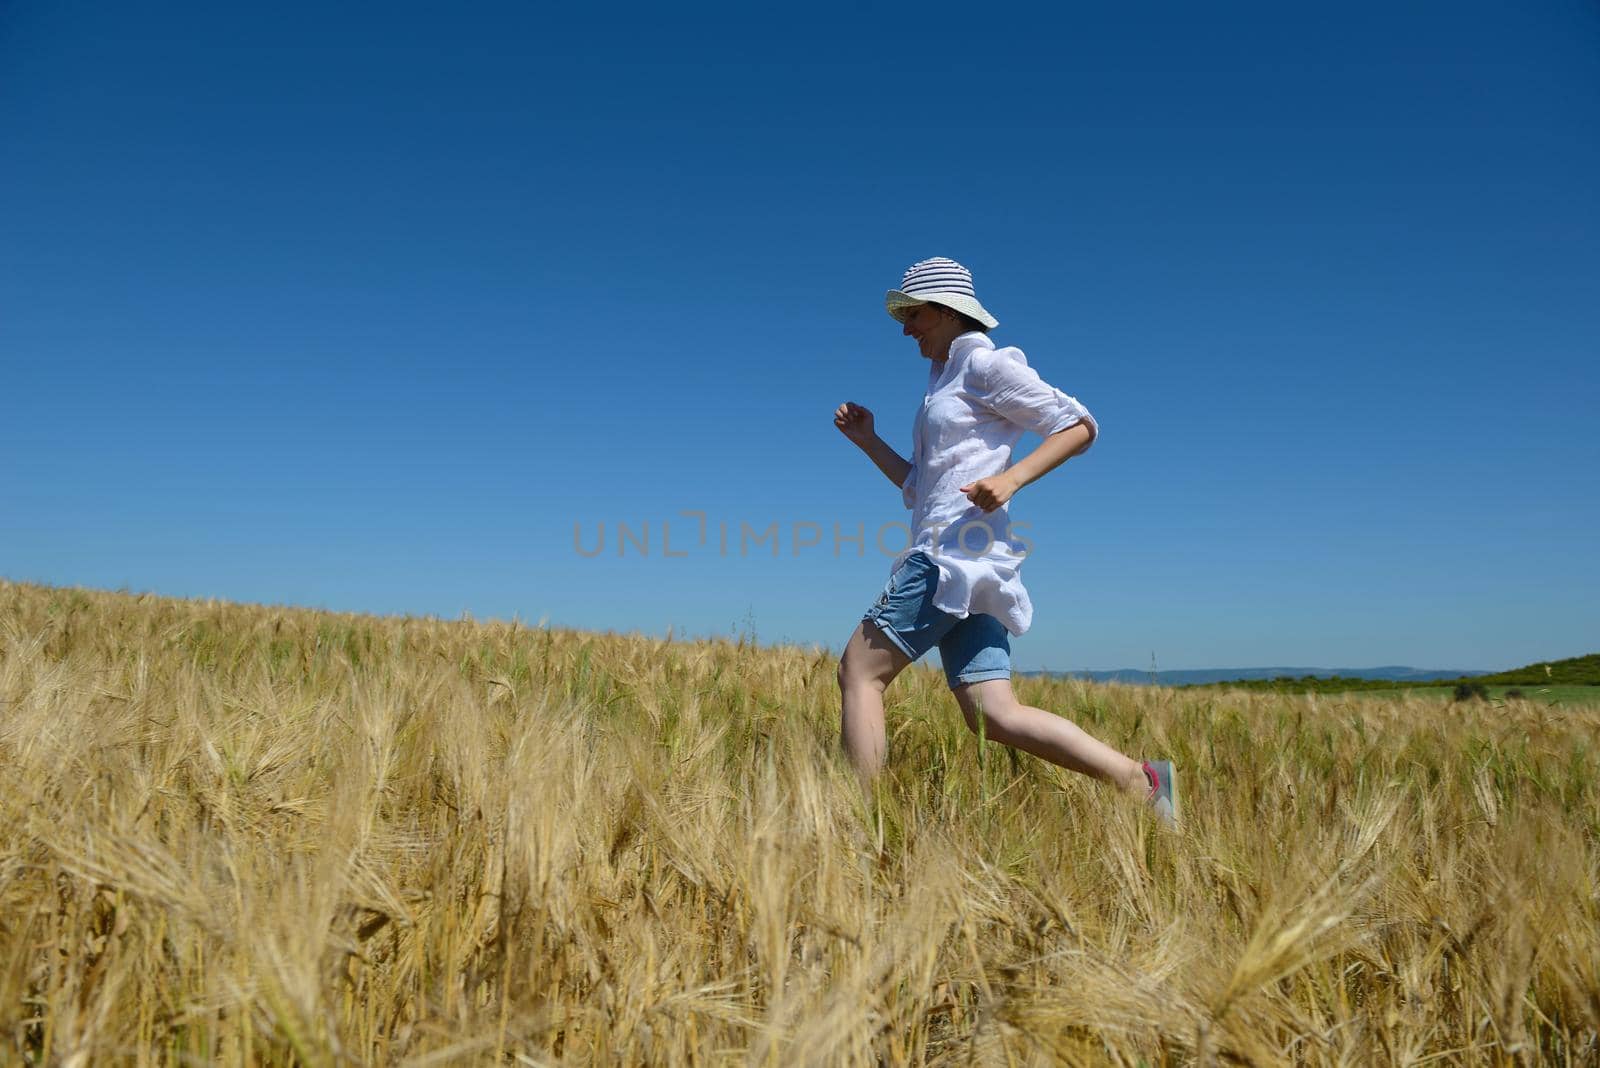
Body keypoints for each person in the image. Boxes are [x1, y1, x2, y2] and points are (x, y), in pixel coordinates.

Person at [833, 257, 1177, 826]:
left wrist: (1012, 478)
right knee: (993, 714)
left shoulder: (986, 367)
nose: (905, 328)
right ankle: (1141, 783)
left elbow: (1079, 425)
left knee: (859, 673)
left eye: (913, 314)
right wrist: (868, 441)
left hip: (949, 557)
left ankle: (858, 825)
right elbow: (921, 485)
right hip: (973, 565)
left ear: (945, 311)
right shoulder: (942, 382)